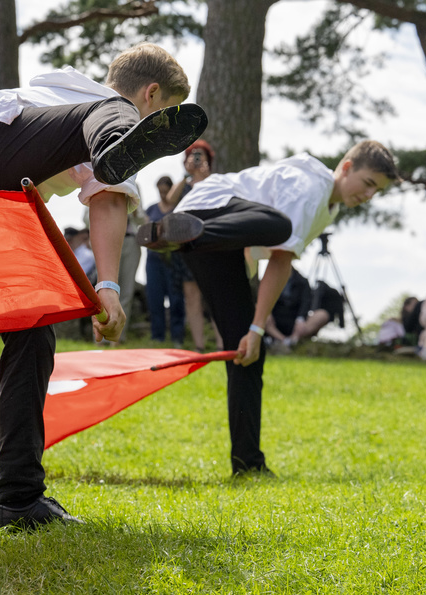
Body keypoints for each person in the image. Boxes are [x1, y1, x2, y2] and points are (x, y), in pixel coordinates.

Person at [0, 42, 205, 528]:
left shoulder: (50, 103)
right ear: (152, 93)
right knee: (112, 116)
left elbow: (42, 202)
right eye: (164, 115)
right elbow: (109, 201)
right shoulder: (96, 103)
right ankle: (122, 130)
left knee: (35, 328)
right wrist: (108, 286)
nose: (158, 134)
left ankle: (20, 501)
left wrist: (76, 290)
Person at [140, 141, 397, 475]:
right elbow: (280, 259)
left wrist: (252, 330)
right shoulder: (311, 186)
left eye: (377, 191)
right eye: (368, 183)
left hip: (212, 240)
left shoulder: (326, 209)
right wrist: (259, 327)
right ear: (346, 168)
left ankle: (248, 464)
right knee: (282, 228)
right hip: (211, 208)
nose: (369, 195)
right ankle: (182, 234)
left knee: (244, 352)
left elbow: (261, 256)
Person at [168, 140, 216, 350]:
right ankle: (199, 346)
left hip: (211, 243)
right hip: (187, 244)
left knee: (215, 295)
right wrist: (186, 175)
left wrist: (204, 179)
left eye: (200, 155)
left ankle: (222, 344)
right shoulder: (183, 184)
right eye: (192, 155)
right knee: (192, 296)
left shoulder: (214, 183)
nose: (196, 158)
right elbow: (169, 201)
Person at [143, 176, 187, 343]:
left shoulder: (178, 209)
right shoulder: (151, 209)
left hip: (174, 259)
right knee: (155, 298)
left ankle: (178, 336)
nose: (162, 194)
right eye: (160, 191)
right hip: (153, 260)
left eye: (165, 191)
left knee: (176, 298)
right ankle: (157, 336)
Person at [267, 265, 345, 348]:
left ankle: (293, 341)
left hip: (296, 321)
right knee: (262, 315)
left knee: (322, 315)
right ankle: (283, 341)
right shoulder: (269, 280)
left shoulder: (302, 281)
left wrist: (300, 319)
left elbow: (306, 303)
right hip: (275, 319)